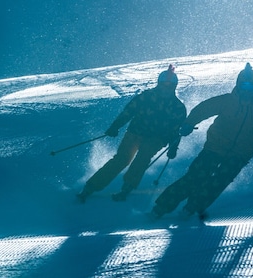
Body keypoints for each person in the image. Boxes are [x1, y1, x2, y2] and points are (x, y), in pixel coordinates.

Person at [152, 63, 253, 219]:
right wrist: (189, 123)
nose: (246, 90)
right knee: (195, 177)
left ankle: (191, 209)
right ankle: (160, 208)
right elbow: (203, 109)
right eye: (243, 86)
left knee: (218, 182)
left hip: (239, 154)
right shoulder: (227, 101)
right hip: (214, 147)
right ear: (238, 85)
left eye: (250, 87)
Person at [77, 66, 186, 202]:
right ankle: (91, 187)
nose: (165, 89)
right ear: (158, 84)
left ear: (174, 87)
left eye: (169, 86)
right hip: (136, 132)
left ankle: (127, 188)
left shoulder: (178, 107)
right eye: (163, 85)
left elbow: (176, 130)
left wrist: (173, 147)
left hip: (156, 138)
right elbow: (128, 112)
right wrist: (115, 126)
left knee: (142, 158)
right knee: (122, 159)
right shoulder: (146, 97)